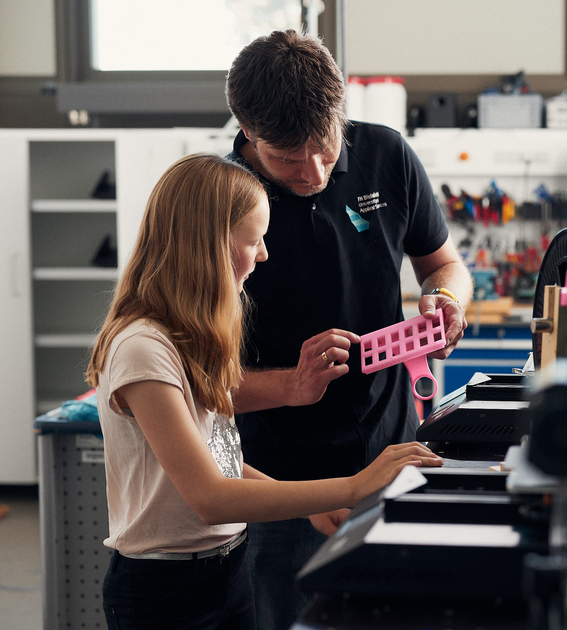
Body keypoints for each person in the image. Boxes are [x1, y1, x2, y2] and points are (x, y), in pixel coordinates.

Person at [86, 153, 443, 630]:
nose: (263, 255)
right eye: (253, 240)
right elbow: (210, 496)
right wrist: (355, 485)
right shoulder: (142, 348)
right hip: (164, 590)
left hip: (227, 567)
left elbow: (221, 460)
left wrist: (320, 504)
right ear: (208, 245)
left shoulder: (186, 334)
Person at [223, 30, 473, 629]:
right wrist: (290, 384)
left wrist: (444, 300)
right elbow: (194, 384)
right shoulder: (218, 201)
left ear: (342, 115)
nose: (311, 172)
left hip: (393, 453)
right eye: (287, 158)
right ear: (246, 130)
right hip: (276, 483)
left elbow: (444, 264)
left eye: (326, 149)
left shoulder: (385, 154)